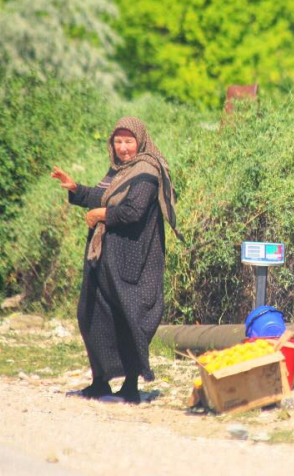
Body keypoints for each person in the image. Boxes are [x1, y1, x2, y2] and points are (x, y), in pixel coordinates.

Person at [51, 117, 182, 403]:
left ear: (140, 141)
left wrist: (102, 215)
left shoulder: (147, 170)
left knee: (129, 317)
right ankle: (100, 381)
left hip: (135, 257)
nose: (123, 147)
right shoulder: (119, 170)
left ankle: (131, 386)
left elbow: (133, 211)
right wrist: (75, 188)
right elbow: (102, 196)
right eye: (118, 141)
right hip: (105, 256)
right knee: (92, 313)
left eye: (129, 141)